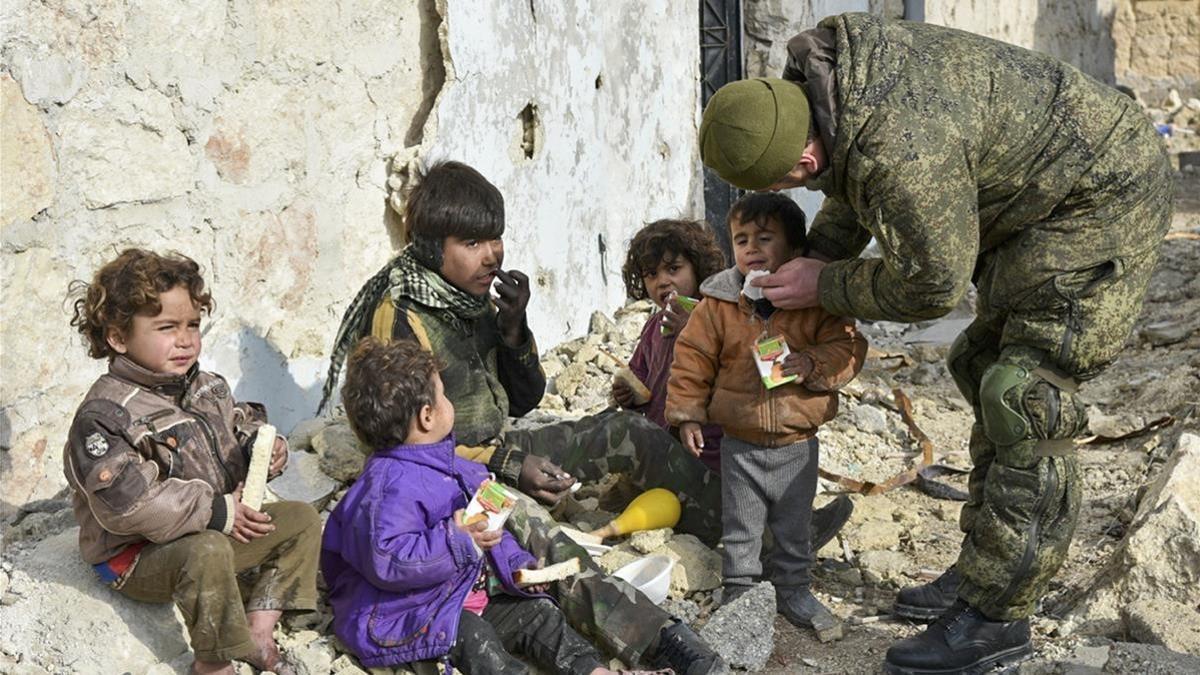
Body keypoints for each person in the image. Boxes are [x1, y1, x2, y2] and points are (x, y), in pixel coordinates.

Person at [698, 12, 1173, 675]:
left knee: (1027, 395)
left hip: (1101, 196)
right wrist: (806, 265)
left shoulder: (900, 143)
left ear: (801, 159)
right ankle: (986, 567)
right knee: (981, 363)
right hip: (1043, 193)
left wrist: (827, 283)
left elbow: (931, 284)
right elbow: (853, 181)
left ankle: (998, 616)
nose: (801, 189)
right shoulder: (824, 88)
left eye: (790, 187)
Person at [320, 161, 724, 674]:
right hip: (452, 474)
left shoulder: (469, 296)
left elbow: (524, 399)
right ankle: (657, 639)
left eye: (496, 237)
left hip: (495, 450)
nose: (492, 254)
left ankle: (742, 531)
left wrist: (514, 329)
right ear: (430, 247)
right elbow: (405, 448)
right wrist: (509, 467)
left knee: (627, 431)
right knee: (533, 532)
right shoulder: (401, 314)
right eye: (472, 242)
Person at [322, 337, 667, 675]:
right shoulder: (385, 490)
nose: (449, 401)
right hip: (421, 616)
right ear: (427, 416)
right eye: (443, 394)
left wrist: (519, 566)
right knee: (478, 644)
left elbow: (492, 530)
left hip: (470, 595)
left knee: (542, 618)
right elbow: (388, 559)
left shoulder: (456, 468)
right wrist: (455, 540)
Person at [63, 249, 321, 675]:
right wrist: (216, 511)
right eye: (166, 328)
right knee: (207, 549)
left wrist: (261, 447)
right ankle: (213, 663)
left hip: (213, 528)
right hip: (139, 557)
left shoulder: (206, 387)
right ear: (118, 338)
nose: (185, 340)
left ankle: (258, 631)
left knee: (301, 520)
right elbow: (131, 507)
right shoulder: (105, 417)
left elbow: (239, 425)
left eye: (193, 325)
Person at [665, 193, 867, 638]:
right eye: (741, 239)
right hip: (740, 443)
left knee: (794, 527)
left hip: (797, 444)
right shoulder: (718, 304)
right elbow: (692, 359)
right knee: (741, 527)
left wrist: (811, 363)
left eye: (764, 238)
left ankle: (794, 589)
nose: (751, 247)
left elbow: (848, 348)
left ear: (794, 251)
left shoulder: (816, 303)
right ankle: (739, 591)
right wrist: (687, 416)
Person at [615, 217, 853, 528]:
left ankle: (791, 531)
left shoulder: (720, 317)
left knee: (741, 507)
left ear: (698, 268)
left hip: (718, 456)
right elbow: (643, 381)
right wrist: (629, 395)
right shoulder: (653, 328)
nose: (662, 282)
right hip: (668, 449)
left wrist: (695, 331)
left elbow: (748, 371)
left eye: (674, 270)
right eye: (651, 274)